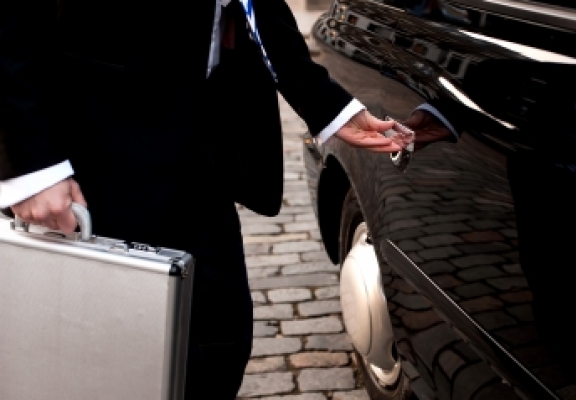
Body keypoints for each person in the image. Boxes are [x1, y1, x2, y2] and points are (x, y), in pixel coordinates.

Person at [0, 0, 402, 398]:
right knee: (94, 363)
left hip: (202, 149)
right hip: (94, 145)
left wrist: (326, 104)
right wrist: (32, 163)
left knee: (217, 351)